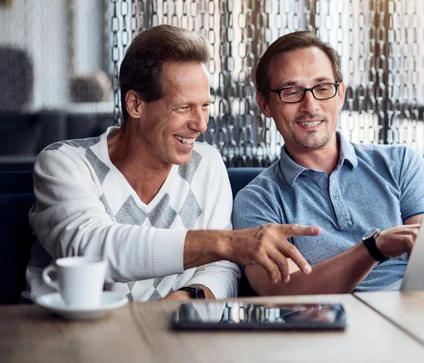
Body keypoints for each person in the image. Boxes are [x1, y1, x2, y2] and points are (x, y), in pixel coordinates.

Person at [25, 25, 319, 303]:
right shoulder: (64, 164)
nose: (201, 124)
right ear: (135, 105)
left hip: (170, 337)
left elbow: (221, 270)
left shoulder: (206, 163)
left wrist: (183, 300)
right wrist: (226, 243)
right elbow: (93, 248)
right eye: (183, 107)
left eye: (205, 106)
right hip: (68, 339)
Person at [232, 31, 424, 295]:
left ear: (340, 94)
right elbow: (280, 294)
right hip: (327, 328)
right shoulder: (256, 200)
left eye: (323, 88)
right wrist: (373, 249)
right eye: (291, 92)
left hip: (415, 312)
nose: (310, 105)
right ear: (265, 105)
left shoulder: (401, 163)